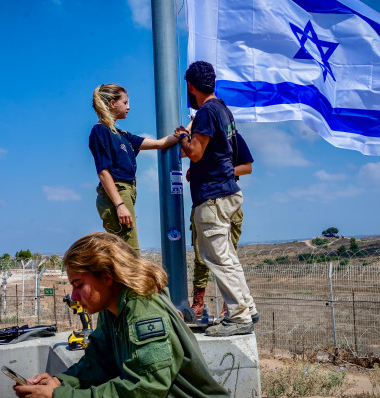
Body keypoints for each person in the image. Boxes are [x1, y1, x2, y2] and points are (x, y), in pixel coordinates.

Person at [13, 232, 234, 398]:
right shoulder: (113, 309)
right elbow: (99, 361)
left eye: (79, 285)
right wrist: (61, 382)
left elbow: (145, 389)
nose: (73, 296)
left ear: (107, 277)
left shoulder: (144, 309)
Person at [175, 61, 258, 337]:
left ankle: (237, 317)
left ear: (190, 86)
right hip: (227, 191)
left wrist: (182, 137)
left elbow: (196, 152)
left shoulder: (206, 112)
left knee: (218, 259)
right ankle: (247, 307)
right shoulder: (223, 110)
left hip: (212, 196)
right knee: (228, 257)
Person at [89, 84, 179, 255]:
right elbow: (103, 172)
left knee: (125, 254)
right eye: (125, 102)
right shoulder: (100, 131)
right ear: (112, 104)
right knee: (131, 255)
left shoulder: (122, 134)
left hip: (128, 191)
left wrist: (187, 128)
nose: (128, 107)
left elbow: (160, 143)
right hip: (118, 192)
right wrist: (120, 204)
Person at [189, 130, 256, 321]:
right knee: (201, 257)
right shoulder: (197, 141)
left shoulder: (231, 137)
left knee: (227, 257)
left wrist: (222, 173)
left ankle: (233, 307)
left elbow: (247, 167)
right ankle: (198, 303)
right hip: (204, 201)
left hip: (224, 200)